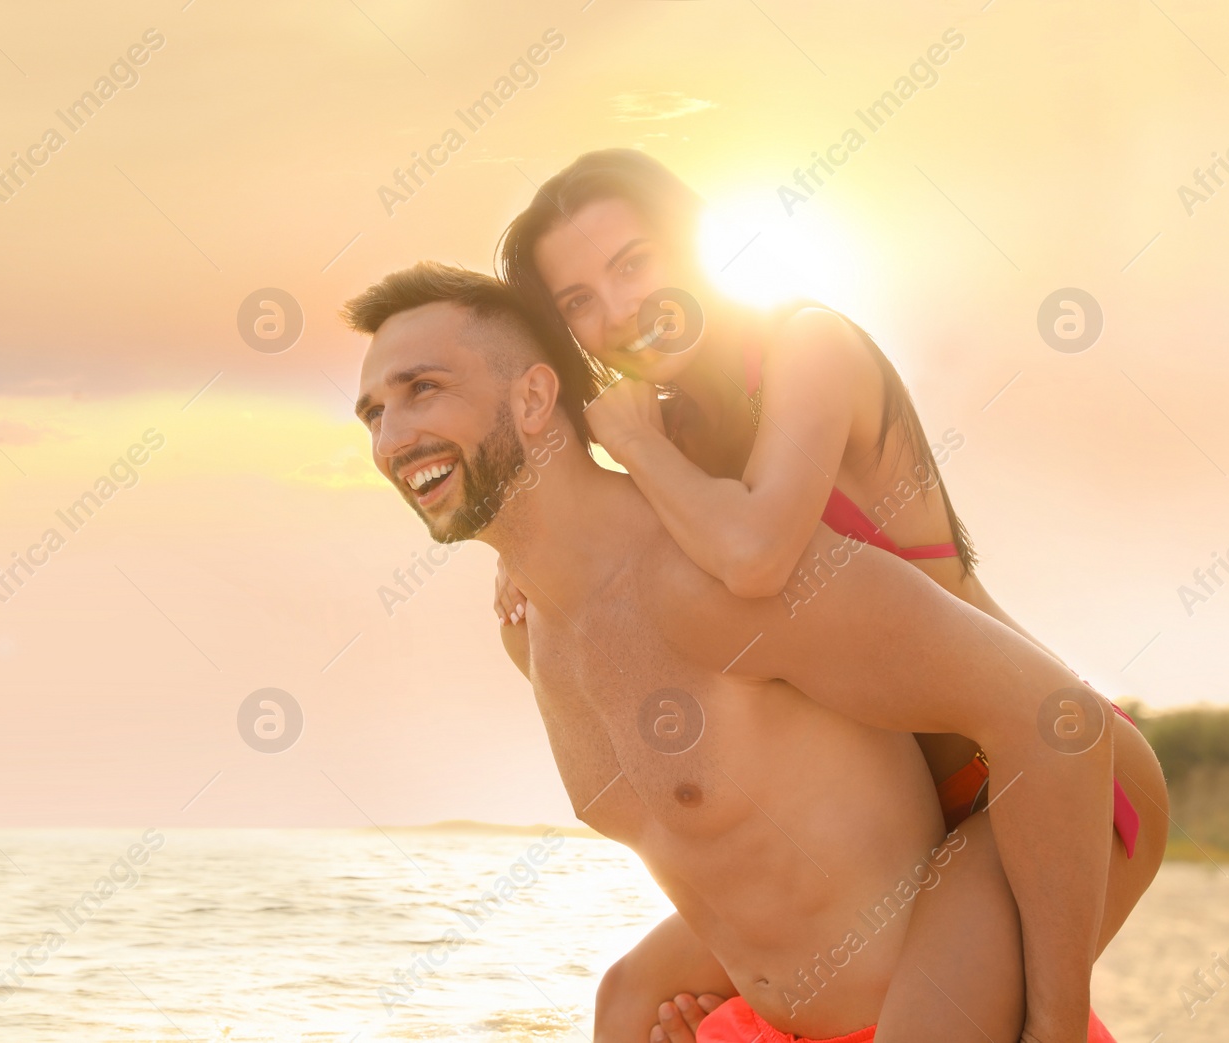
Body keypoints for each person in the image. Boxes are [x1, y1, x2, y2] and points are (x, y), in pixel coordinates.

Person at [343, 262, 1162, 1042]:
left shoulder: (722, 579)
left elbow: (1060, 720)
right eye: (374, 412)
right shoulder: (533, 633)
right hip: (793, 1018)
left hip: (932, 996)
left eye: (423, 390)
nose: (393, 436)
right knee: (625, 996)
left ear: (533, 397)